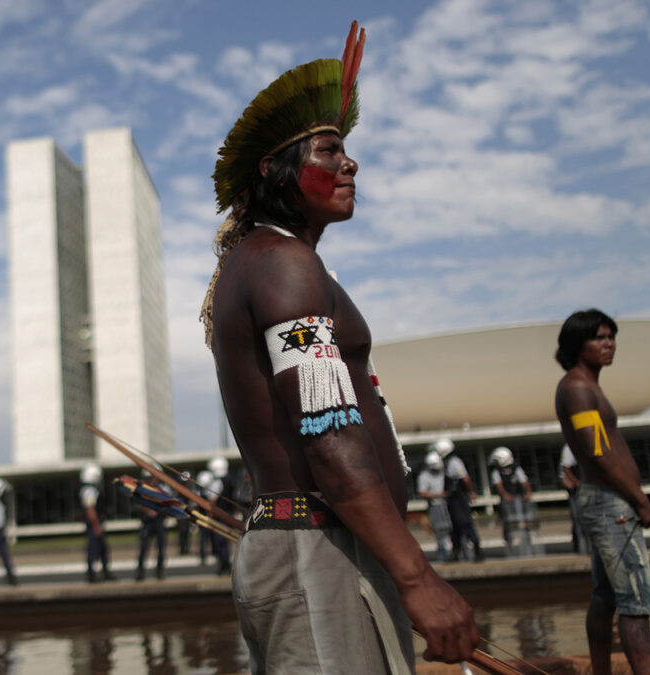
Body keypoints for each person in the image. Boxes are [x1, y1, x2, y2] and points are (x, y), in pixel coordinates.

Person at [200, 35, 478, 671]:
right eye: (330, 152)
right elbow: (329, 433)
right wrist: (416, 577)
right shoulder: (283, 267)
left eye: (348, 151)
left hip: (330, 546)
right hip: (316, 556)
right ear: (275, 171)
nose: (351, 166)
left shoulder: (279, 264)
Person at [555, 308, 650, 675]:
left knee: (607, 595)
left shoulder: (586, 385)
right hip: (609, 502)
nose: (609, 343)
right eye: (598, 337)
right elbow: (598, 453)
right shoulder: (578, 388)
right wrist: (641, 499)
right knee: (635, 601)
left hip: (605, 500)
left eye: (611, 336)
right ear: (576, 345)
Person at [434, 438, 484, 562]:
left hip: (459, 498)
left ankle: (477, 550)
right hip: (452, 499)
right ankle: (456, 552)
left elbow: (465, 478)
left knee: (465, 523)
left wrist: (470, 492)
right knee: (455, 527)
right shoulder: (448, 463)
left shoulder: (455, 462)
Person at [489, 447, 536, 558]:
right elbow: (499, 486)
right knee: (508, 525)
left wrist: (528, 492)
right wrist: (506, 495)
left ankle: (526, 547)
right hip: (507, 503)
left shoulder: (516, 469)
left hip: (519, 500)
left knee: (524, 523)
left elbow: (524, 481)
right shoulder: (496, 472)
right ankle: (510, 548)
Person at [79, 463, 115, 583]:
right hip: (94, 524)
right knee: (93, 549)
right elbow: (90, 510)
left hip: (95, 524)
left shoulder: (89, 490)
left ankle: (104, 572)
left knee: (102, 549)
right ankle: (92, 575)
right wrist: (96, 526)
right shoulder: (89, 491)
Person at [416, 452, 452, 562]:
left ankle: (454, 555)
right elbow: (422, 493)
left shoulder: (443, 472)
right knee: (440, 532)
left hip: (447, 505)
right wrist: (437, 495)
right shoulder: (424, 476)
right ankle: (443, 557)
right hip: (435, 506)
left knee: (450, 530)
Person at [134, 472, 169, 581]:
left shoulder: (162, 489)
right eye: (148, 478)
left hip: (158, 521)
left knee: (161, 547)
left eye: (152, 478)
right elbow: (138, 503)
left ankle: (159, 570)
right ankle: (140, 571)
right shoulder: (141, 489)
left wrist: (158, 510)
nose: (151, 480)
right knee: (144, 547)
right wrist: (148, 510)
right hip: (147, 522)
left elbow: (167, 503)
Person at [559, 444, 589, 553]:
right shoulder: (570, 447)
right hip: (578, 491)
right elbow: (565, 468)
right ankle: (580, 547)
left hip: (589, 488)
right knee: (578, 519)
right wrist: (577, 483)